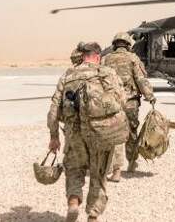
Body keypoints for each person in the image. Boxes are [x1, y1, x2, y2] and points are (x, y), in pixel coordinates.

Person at [47, 42, 125, 222]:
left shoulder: (68, 75)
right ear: (98, 56)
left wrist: (54, 137)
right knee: (99, 175)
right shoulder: (107, 73)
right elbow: (121, 100)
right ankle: (93, 216)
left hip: (74, 135)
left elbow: (53, 111)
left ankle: (73, 202)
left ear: (83, 56)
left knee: (74, 170)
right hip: (100, 134)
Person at [102, 32, 156, 180]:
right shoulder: (133, 58)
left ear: (114, 44)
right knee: (131, 132)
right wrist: (150, 96)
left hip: (111, 103)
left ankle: (113, 168)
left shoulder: (105, 59)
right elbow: (140, 79)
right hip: (130, 102)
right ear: (127, 44)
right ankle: (132, 162)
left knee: (112, 133)